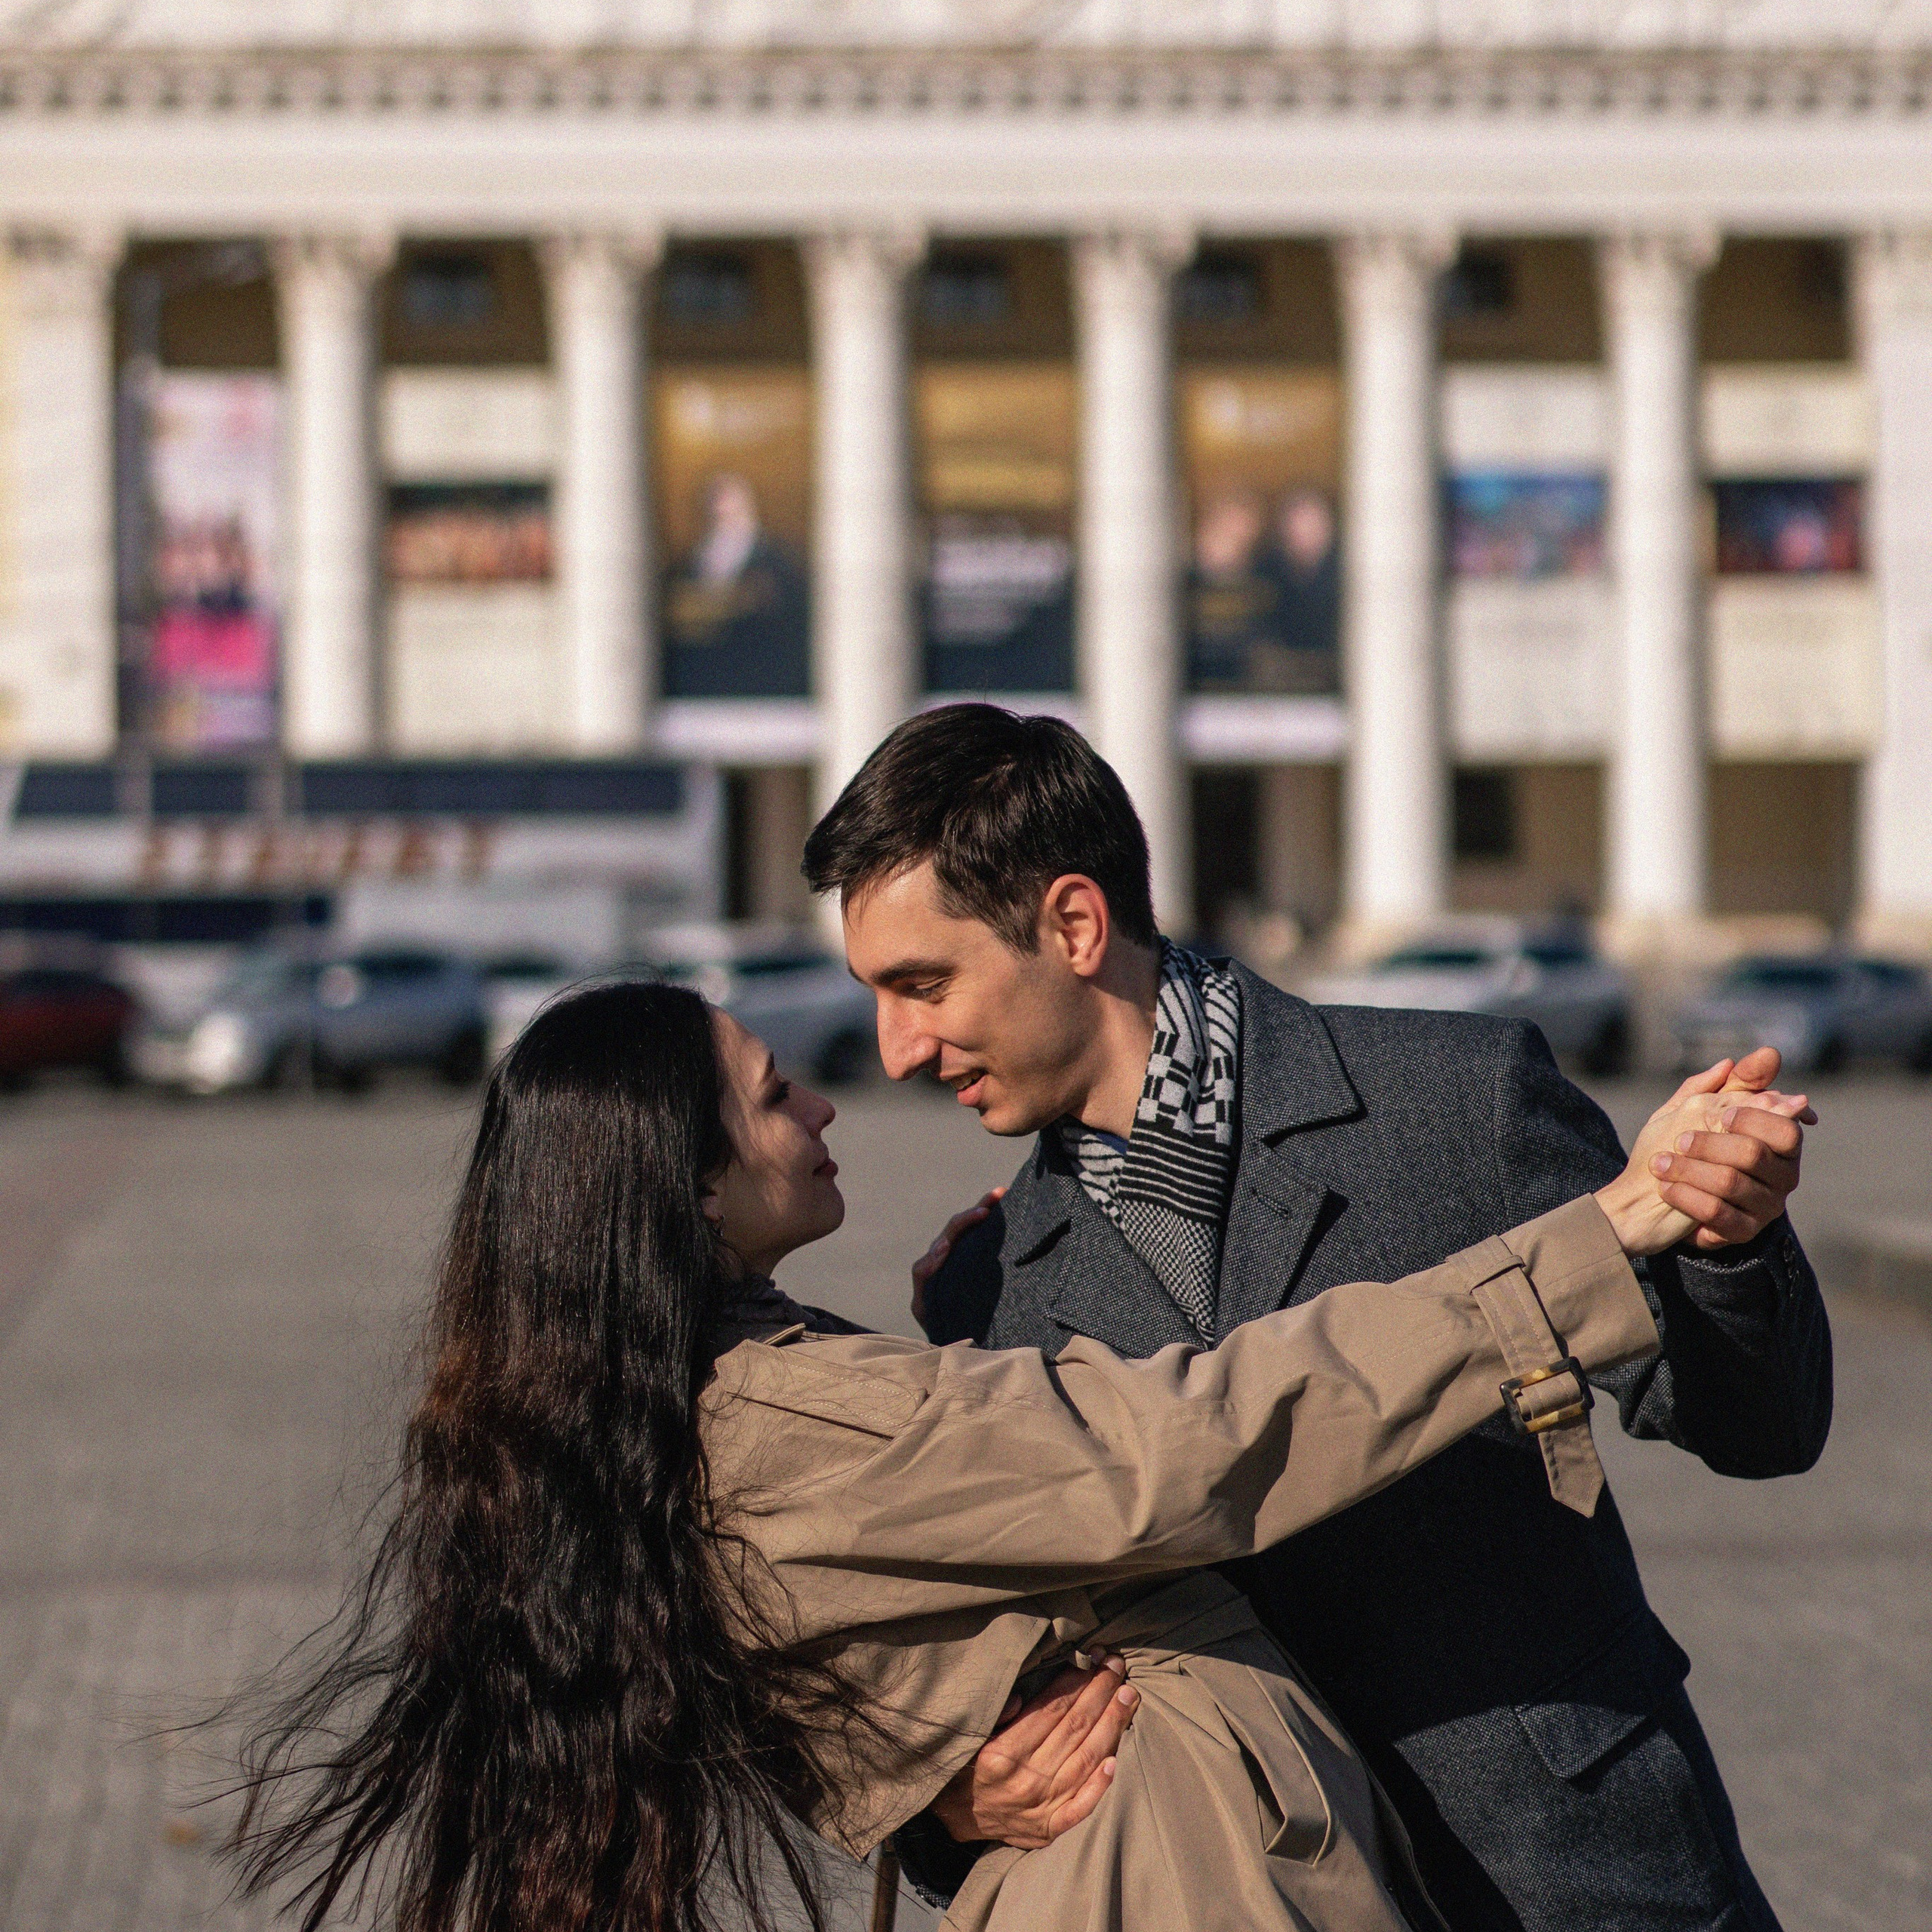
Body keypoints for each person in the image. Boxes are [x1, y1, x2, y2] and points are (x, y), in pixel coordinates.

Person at [223, 978, 1798, 1932]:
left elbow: (698, 1645)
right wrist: (1599, 1236)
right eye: (777, 1093)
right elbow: (1183, 1440)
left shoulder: (719, 1382)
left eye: (923, 984)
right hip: (1177, 1871)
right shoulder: (791, 1399)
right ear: (688, 1192)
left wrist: (915, 1768)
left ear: (1063, 923)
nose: (866, 1072)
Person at [803, 703, 1828, 1932]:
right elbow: (1004, 1664)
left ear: (1074, 924)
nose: (897, 1048)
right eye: (874, 995)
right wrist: (955, 1803)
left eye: (923, 984)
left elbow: (1758, 1426)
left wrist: (1730, 1237)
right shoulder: (986, 1287)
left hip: (1584, 1878)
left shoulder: (1455, 1100)